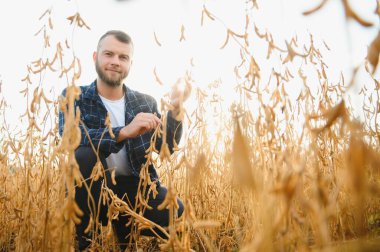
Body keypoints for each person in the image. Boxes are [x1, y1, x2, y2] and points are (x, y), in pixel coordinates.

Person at [58, 30, 190, 251]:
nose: (115, 62)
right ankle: (87, 242)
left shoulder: (144, 102)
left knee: (175, 209)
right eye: (108, 54)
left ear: (130, 63)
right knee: (83, 154)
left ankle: (126, 233)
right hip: (94, 190)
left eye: (123, 57)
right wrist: (124, 132)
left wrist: (176, 109)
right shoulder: (74, 96)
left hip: (137, 188)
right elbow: (71, 138)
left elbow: (166, 146)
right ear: (95, 57)